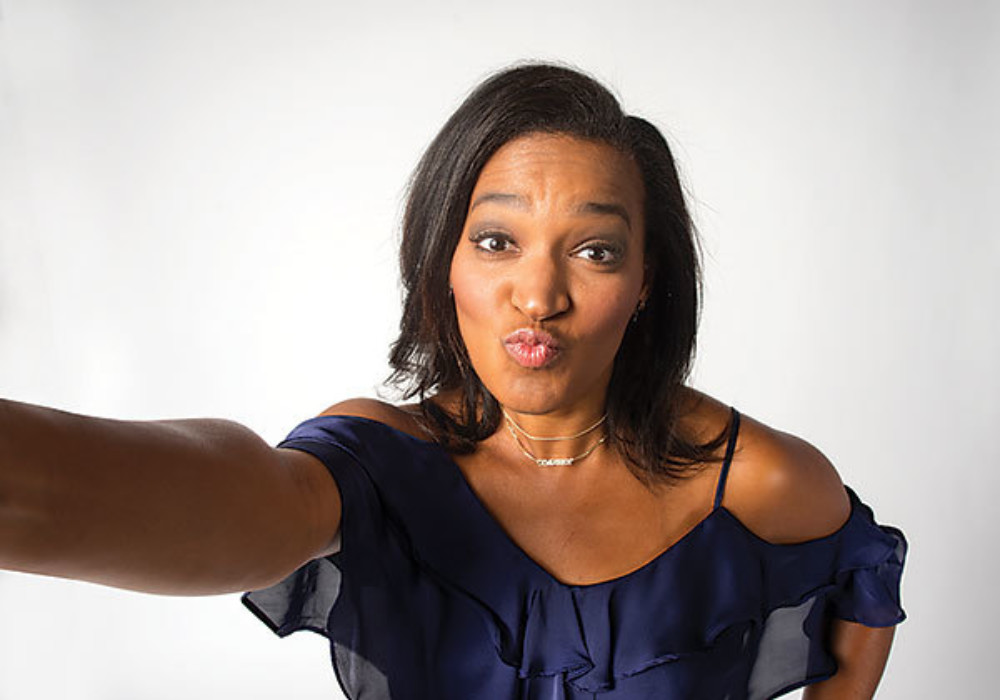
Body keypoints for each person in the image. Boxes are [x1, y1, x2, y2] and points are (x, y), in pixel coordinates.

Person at [0, 63, 905, 699]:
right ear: (443, 262)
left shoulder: (753, 481)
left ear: (644, 283)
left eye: (594, 250)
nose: (539, 296)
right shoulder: (376, 468)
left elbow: (866, 576)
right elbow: (241, 499)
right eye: (497, 241)